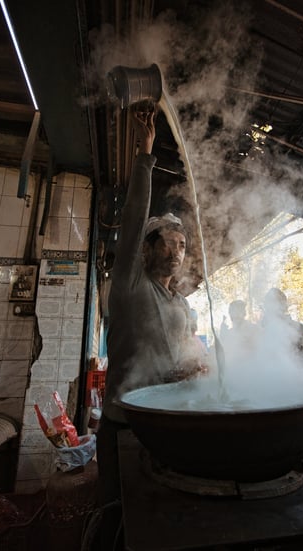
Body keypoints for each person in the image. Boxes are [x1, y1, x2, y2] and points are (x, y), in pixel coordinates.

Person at [95, 105, 209, 550]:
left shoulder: (178, 302)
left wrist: (196, 367)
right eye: (171, 242)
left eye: (183, 245)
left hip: (166, 423)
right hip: (124, 424)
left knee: (162, 523)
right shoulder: (128, 283)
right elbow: (132, 215)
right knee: (117, 518)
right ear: (147, 248)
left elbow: (183, 349)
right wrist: (145, 156)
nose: (180, 251)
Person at [262, 288, 303, 353]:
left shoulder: (300, 329)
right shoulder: (260, 331)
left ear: (285, 306)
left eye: (276, 303)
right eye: (269, 304)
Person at [220, 299, 257, 364]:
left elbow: (259, 350)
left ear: (244, 313)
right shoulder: (229, 332)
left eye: (237, 312)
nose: (233, 315)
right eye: (231, 312)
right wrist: (223, 336)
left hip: (251, 367)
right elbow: (224, 352)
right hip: (234, 369)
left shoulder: (253, 329)